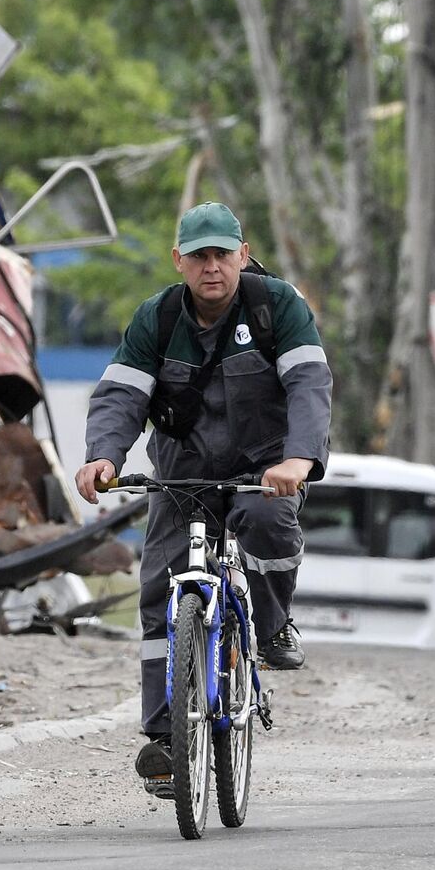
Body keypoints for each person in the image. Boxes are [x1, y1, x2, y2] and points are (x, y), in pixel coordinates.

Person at [74, 201, 332, 791]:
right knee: (160, 585)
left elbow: (308, 383)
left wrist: (299, 457)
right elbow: (120, 395)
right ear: (179, 261)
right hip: (183, 470)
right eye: (199, 256)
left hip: (264, 465)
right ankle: (167, 737)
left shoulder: (277, 307)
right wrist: (103, 455)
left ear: (242, 255)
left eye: (222, 254)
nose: (211, 266)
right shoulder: (157, 318)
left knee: (268, 524)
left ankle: (270, 627)